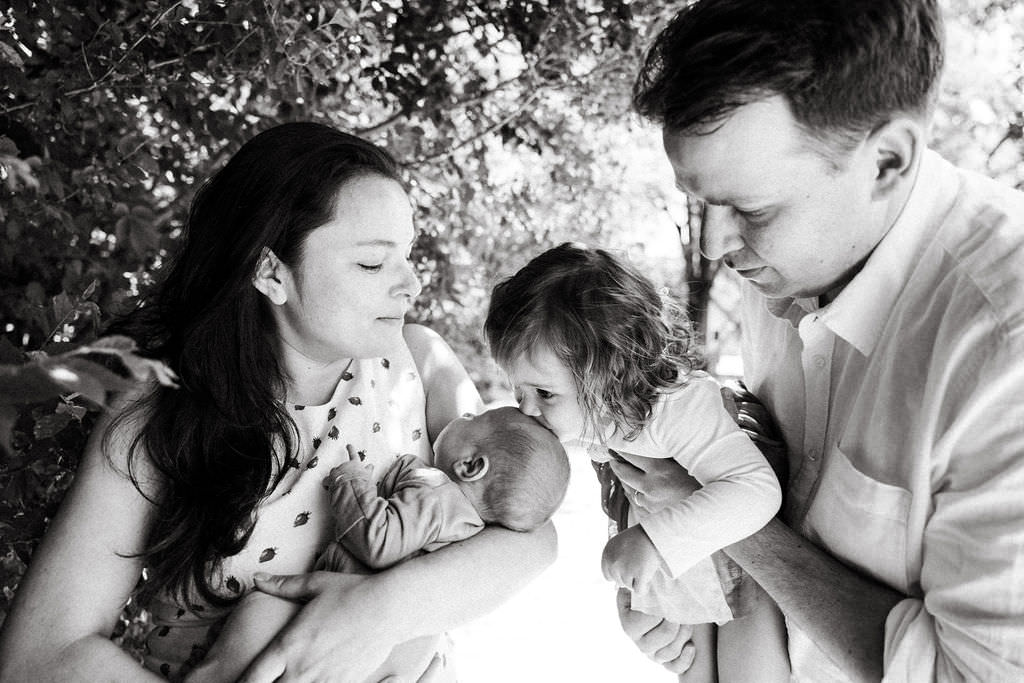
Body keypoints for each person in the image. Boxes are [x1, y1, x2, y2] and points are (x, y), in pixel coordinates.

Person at [0, 122, 557, 682]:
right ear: (271, 272)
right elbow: (42, 654)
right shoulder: (161, 408)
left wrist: (376, 615)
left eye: (407, 255)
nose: (410, 284)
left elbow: (531, 537)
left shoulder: (420, 362)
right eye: (372, 263)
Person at [622, 0, 1024, 680]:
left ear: (887, 160)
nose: (717, 246)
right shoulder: (776, 265)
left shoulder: (1001, 349)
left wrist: (717, 516)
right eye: (700, 203)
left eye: (752, 210)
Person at [484, 242, 788, 682]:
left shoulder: (679, 408)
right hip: (692, 590)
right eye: (519, 392)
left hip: (748, 589)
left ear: (610, 369)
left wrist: (654, 540)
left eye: (545, 393)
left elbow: (756, 491)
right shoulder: (603, 421)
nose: (529, 409)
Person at [188, 405, 571, 683]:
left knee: (258, 615)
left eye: (472, 418)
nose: (463, 415)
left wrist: (353, 481)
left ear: (471, 466)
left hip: (356, 627)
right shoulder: (466, 524)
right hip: (397, 647)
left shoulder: (438, 497)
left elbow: (380, 540)